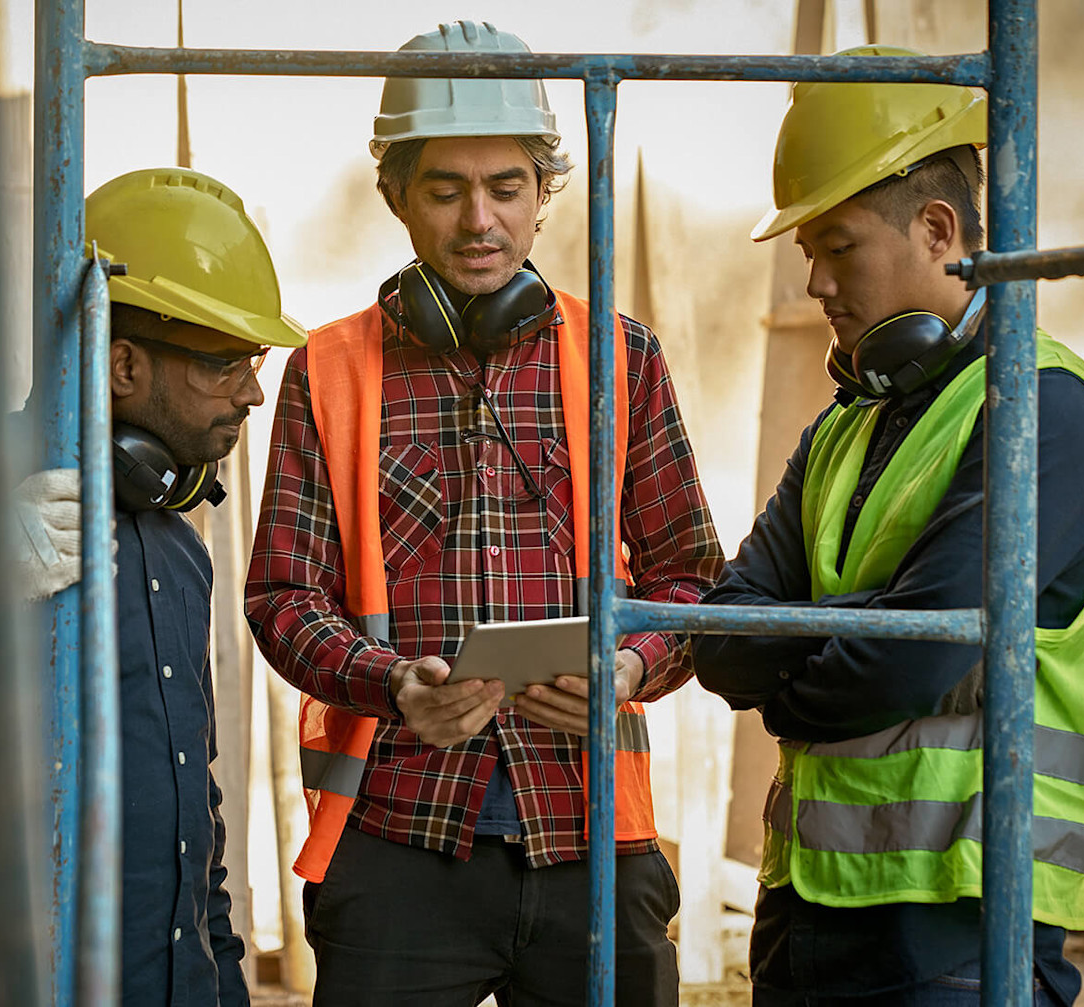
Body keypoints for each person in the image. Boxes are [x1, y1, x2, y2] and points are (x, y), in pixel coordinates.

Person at [243, 20, 724, 1007]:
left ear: (543, 193)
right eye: (445, 189)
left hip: (592, 834)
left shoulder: (620, 359)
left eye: (505, 187)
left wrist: (629, 665)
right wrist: (392, 684)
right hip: (395, 835)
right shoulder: (324, 370)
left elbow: (695, 581)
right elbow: (282, 597)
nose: (478, 220)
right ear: (396, 196)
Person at [692, 46, 1084, 1007]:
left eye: (837, 247)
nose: (814, 285)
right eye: (808, 254)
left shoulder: (1041, 412)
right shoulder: (847, 420)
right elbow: (724, 639)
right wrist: (854, 628)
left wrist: (804, 654)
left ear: (939, 229)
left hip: (961, 933)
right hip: (806, 923)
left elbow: (905, 660)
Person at [0, 167, 305, 1006]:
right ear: (122, 362)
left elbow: (199, 820)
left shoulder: (178, 546)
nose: (252, 390)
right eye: (225, 361)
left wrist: (223, 981)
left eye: (254, 361)